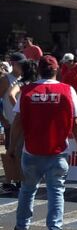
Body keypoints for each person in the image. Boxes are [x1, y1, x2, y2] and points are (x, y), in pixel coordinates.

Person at [8, 55, 77, 230]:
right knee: (56, 192)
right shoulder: (67, 90)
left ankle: (21, 227)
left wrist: (11, 147)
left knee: (27, 190)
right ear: (57, 69)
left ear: (39, 69)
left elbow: (18, 122)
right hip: (57, 152)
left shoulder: (27, 90)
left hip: (32, 152)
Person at [0, 57, 35, 193]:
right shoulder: (9, 80)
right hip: (13, 121)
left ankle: (15, 180)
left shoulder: (25, 82)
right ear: (14, 64)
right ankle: (12, 181)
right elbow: (10, 95)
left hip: (21, 121)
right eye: (20, 64)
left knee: (17, 151)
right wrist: (18, 111)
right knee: (14, 151)